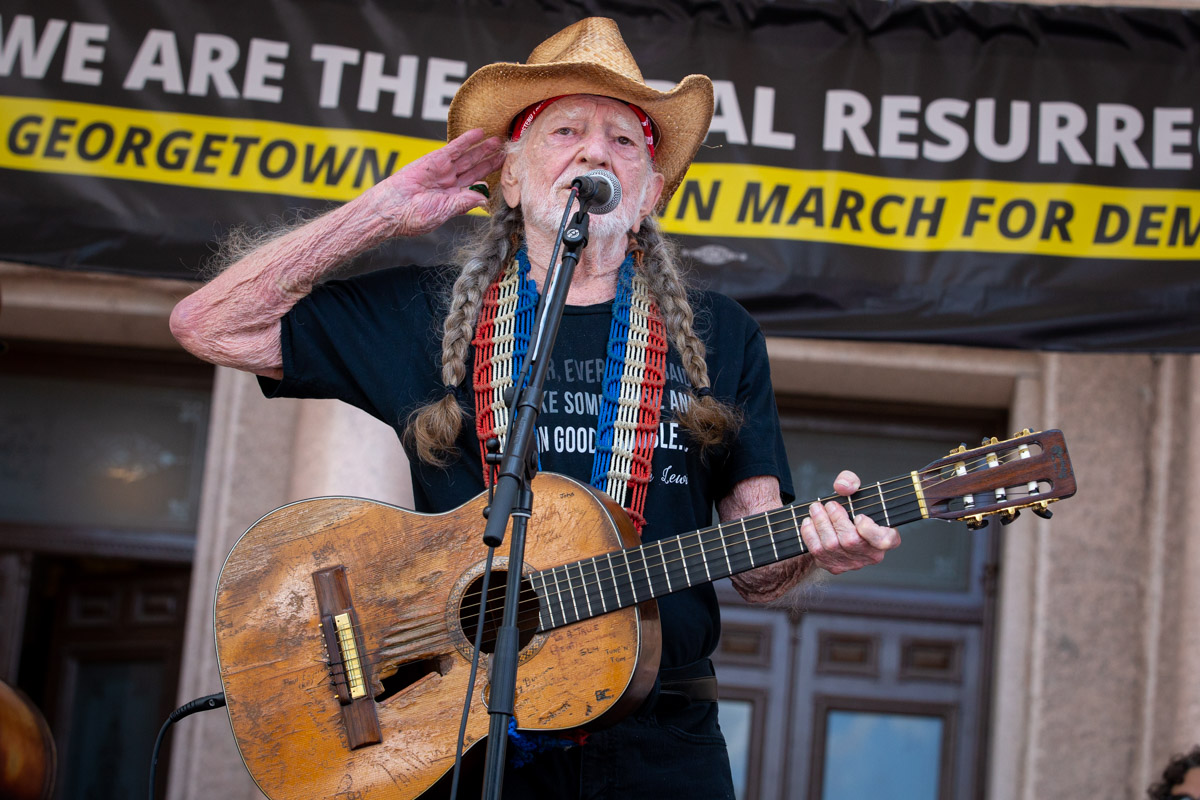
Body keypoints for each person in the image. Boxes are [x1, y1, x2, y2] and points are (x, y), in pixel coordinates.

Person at [170, 17, 900, 799]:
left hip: (657, 743)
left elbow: (758, 568)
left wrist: (817, 548)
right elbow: (207, 324)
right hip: (453, 727)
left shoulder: (721, 335)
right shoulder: (425, 311)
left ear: (650, 192)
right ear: (510, 179)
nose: (595, 151)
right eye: (566, 130)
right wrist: (384, 210)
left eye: (626, 139)